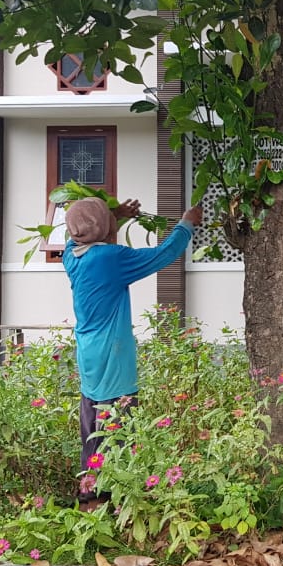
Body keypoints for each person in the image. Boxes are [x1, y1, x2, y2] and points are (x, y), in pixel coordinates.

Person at [62, 196, 203, 504]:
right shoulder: (110, 259)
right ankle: (115, 496)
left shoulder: (71, 254)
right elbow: (162, 254)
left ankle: (89, 493)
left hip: (88, 351)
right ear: (103, 226)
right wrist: (187, 224)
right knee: (117, 423)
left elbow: (90, 231)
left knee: (92, 423)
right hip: (113, 353)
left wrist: (117, 215)